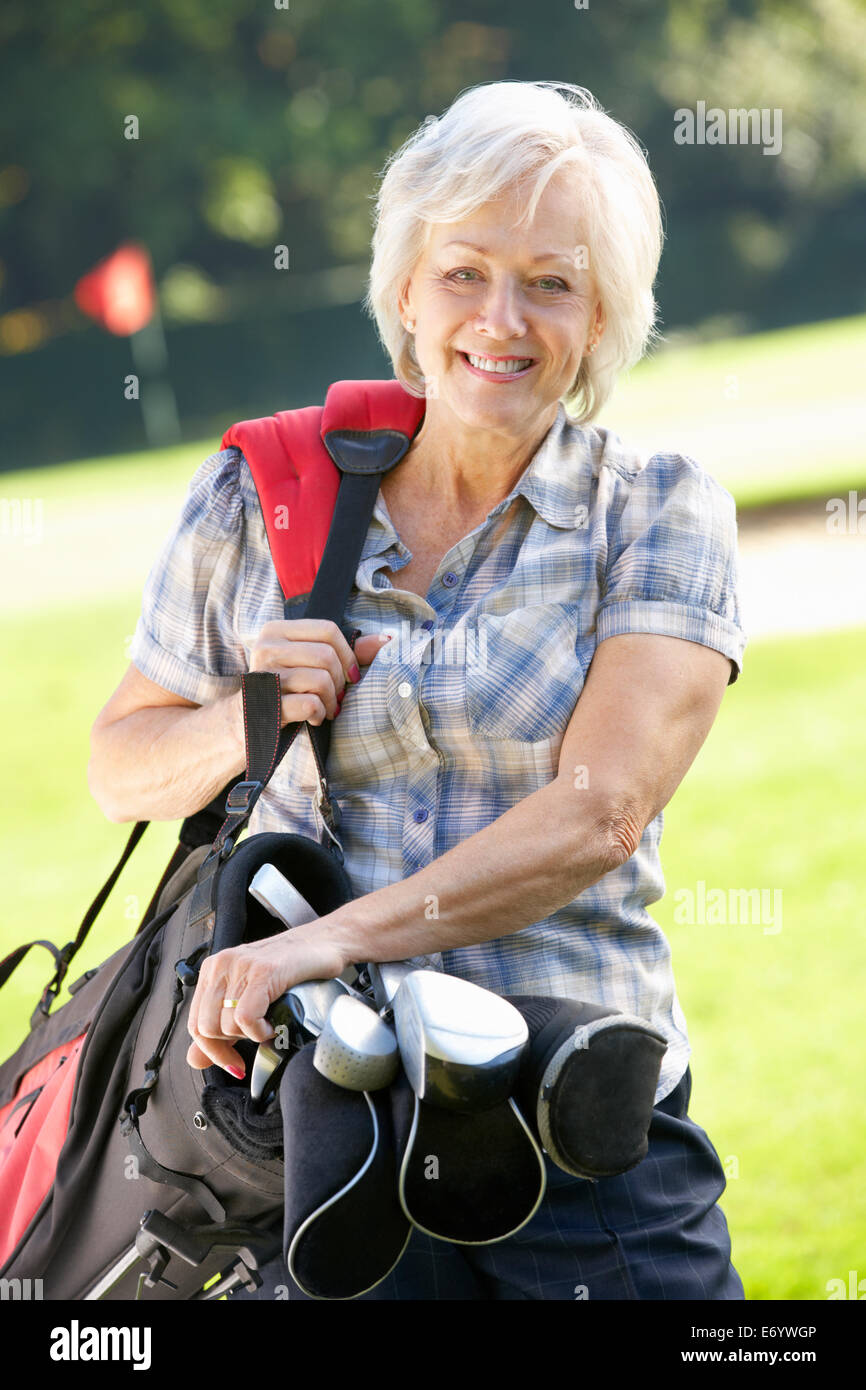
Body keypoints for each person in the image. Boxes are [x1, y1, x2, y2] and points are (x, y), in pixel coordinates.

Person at [88, 80, 747, 1300]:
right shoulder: (255, 498)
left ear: (601, 316)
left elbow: (593, 816)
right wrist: (250, 712)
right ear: (402, 288)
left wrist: (323, 944)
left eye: (551, 281)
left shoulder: (654, 510)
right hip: (333, 1145)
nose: (500, 318)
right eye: (463, 272)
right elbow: (118, 764)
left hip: (582, 1136)